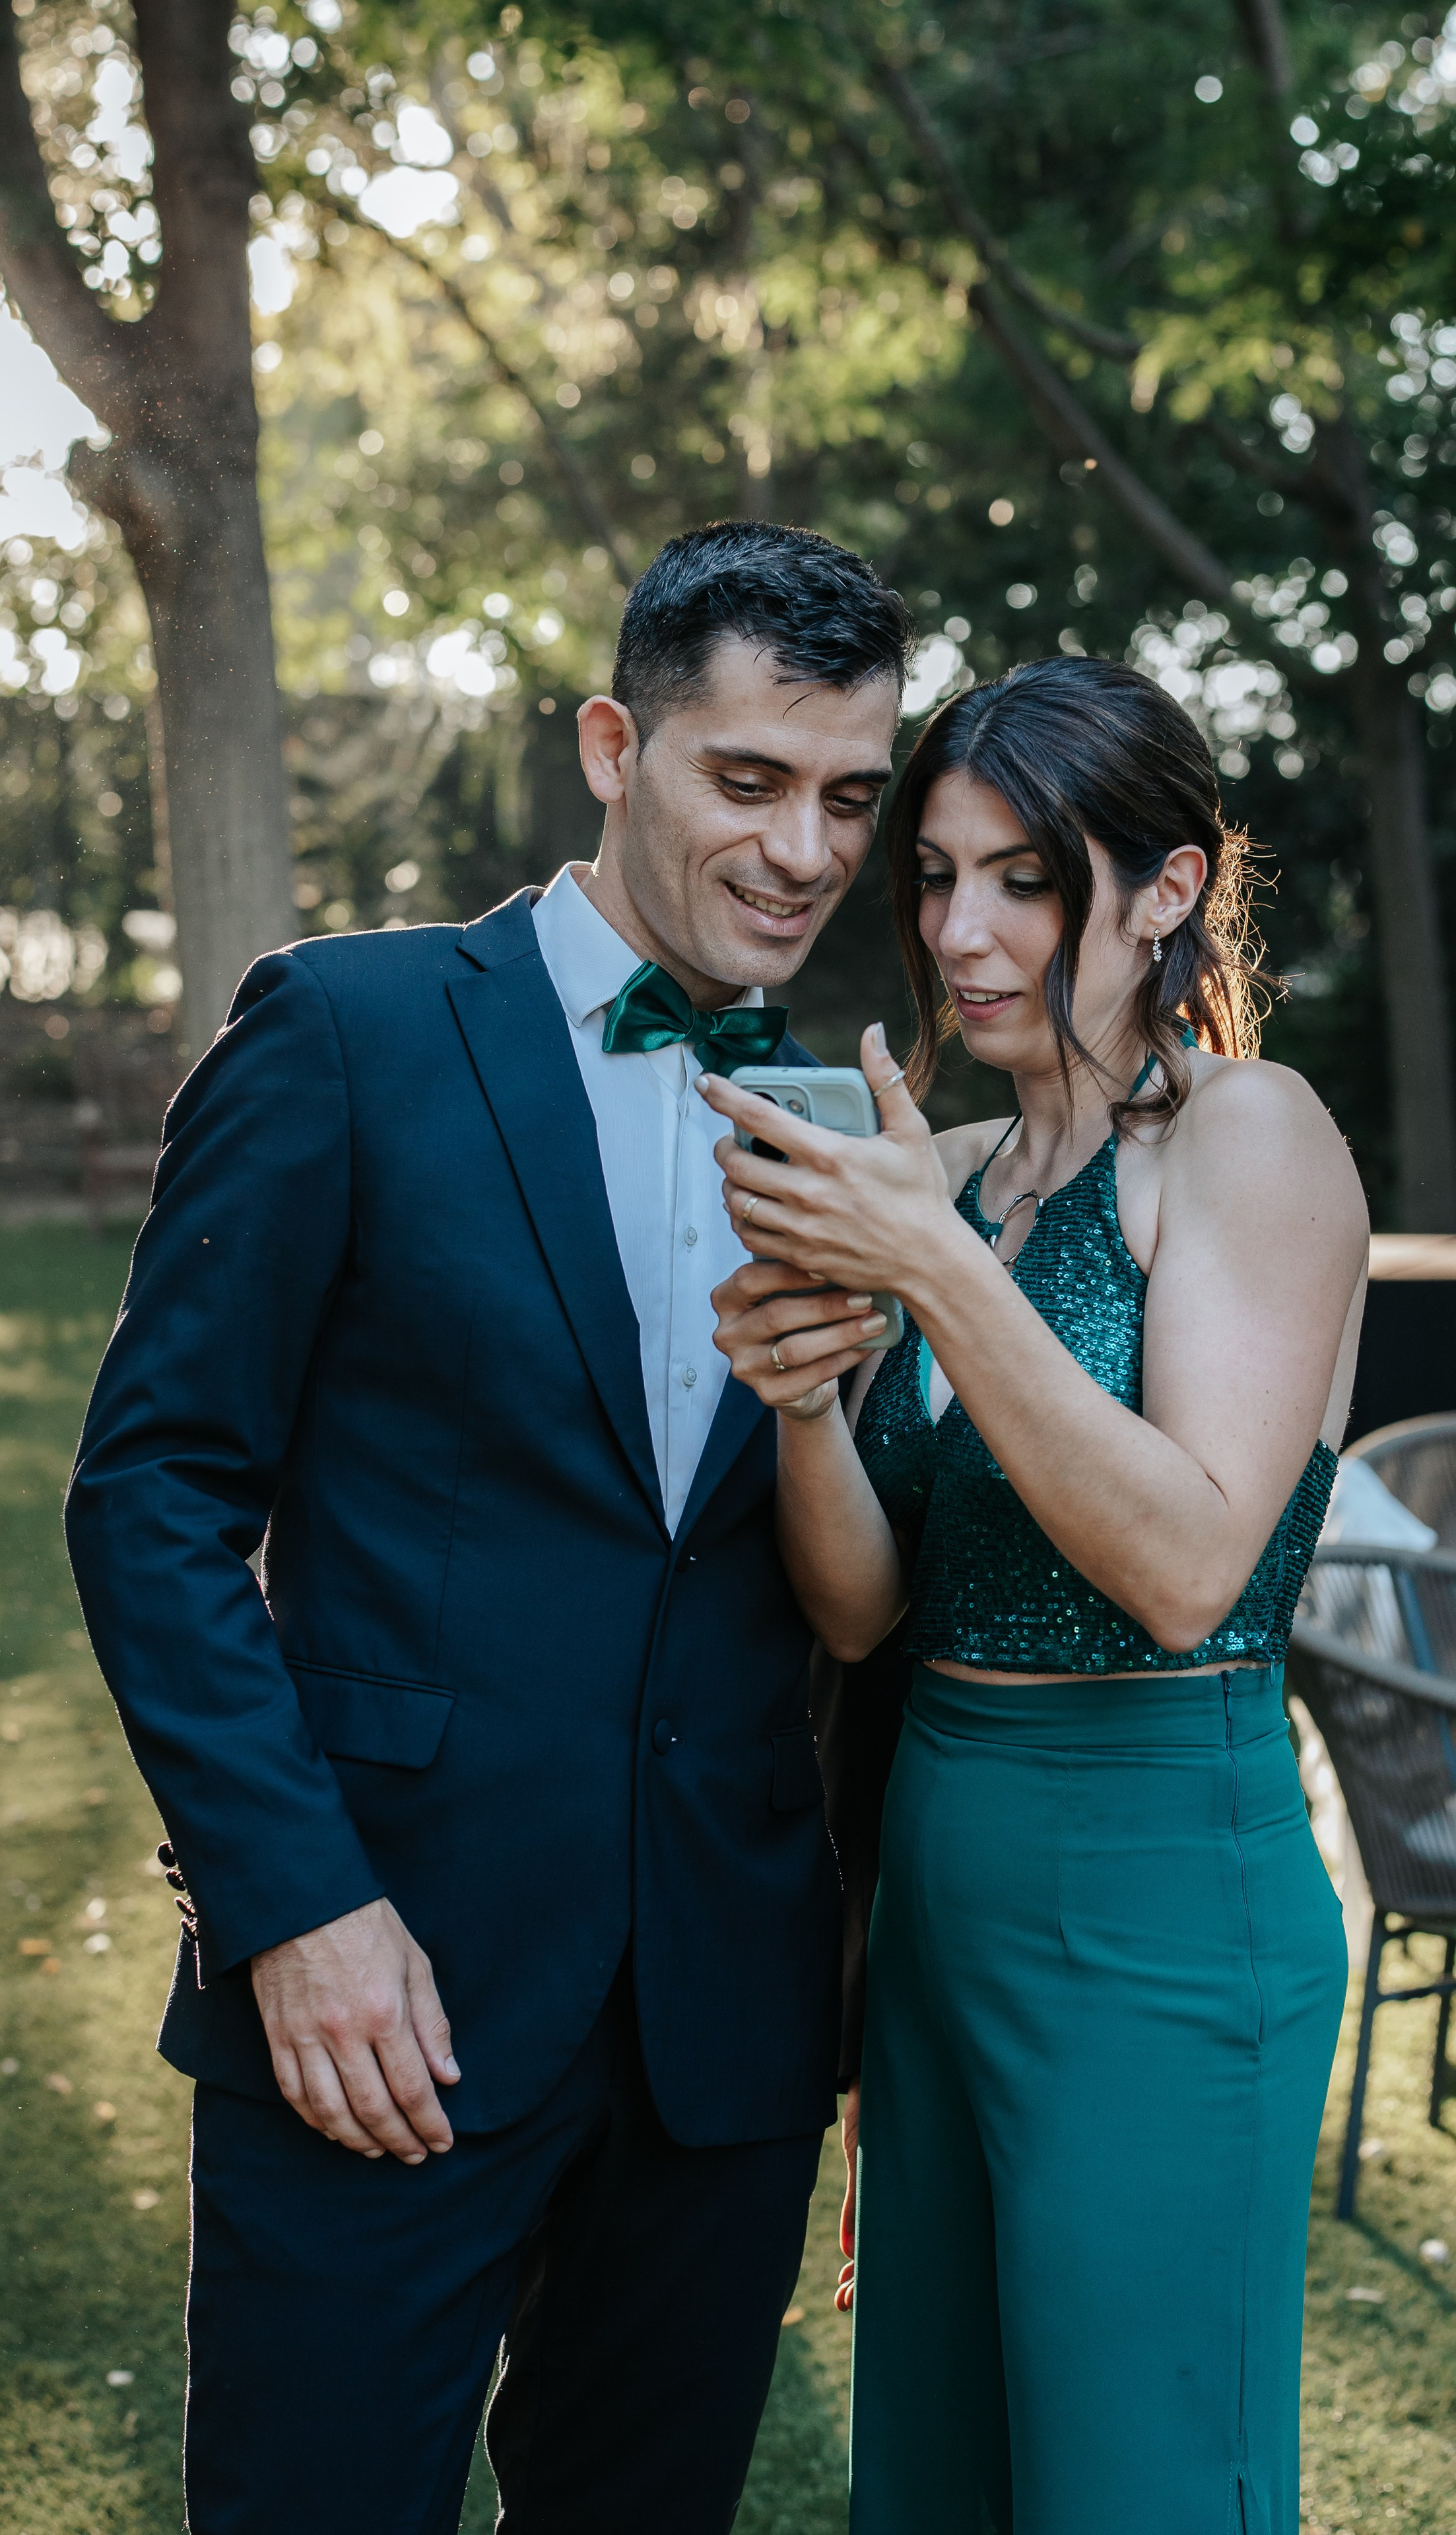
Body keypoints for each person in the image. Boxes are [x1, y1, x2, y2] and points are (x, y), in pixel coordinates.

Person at [63, 520, 913, 2535]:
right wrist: (292, 1906)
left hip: (721, 2032)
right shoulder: (347, 1031)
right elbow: (157, 1491)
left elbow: (848, 1594)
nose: (807, 851)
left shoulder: (852, 1129)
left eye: (852, 799)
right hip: (383, 1997)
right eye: (752, 780)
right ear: (617, 748)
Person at [704, 654, 1370, 2532]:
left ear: (1163, 892)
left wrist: (932, 1270)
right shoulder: (972, 1171)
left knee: (1138, 2481)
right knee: (944, 2478)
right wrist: (801, 1392)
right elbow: (859, 1616)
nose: (961, 932)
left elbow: (1182, 1566)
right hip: (943, 1882)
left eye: (1023, 878)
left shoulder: (1250, 1139)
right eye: (933, 876)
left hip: (1165, 1893)